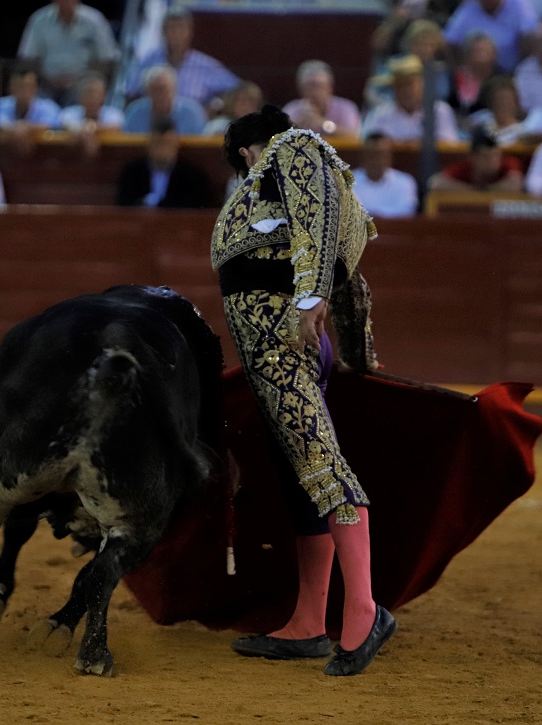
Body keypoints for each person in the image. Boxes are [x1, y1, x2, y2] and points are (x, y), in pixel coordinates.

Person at [213, 104, 394, 678]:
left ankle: (364, 611)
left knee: (322, 466)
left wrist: (310, 297)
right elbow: (345, 266)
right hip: (274, 349)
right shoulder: (295, 169)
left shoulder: (290, 148)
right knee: (302, 481)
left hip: (279, 345)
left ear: (245, 150)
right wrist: (357, 354)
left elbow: (319, 236)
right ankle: (310, 621)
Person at [122, 7, 239, 110]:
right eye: (171, 28)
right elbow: (130, 93)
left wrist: (217, 106)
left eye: (181, 28)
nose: (176, 33)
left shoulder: (205, 64)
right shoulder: (149, 61)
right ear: (163, 32)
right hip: (154, 126)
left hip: (194, 129)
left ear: (190, 32)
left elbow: (238, 89)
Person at [17, 0, 119, 106]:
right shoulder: (38, 19)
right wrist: (47, 79)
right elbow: (27, 59)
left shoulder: (95, 20)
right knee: (27, 88)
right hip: (46, 85)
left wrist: (78, 80)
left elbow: (107, 60)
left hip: (83, 85)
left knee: (92, 90)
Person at [115, 116, 213, 208]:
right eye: (158, 144)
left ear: (176, 144)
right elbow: (124, 207)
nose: (163, 150)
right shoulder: (131, 174)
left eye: (167, 144)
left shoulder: (193, 177)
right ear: (148, 145)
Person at [362, 54, 459, 142]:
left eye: (410, 85)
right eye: (401, 85)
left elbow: (449, 147)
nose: (406, 91)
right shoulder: (380, 114)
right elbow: (366, 145)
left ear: (422, 85)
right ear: (394, 88)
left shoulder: (440, 112)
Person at [443, 0, 539, 72]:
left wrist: (519, 69)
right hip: (476, 75)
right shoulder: (469, 7)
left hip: (512, 71)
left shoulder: (518, 4)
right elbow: (448, 41)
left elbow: (531, 34)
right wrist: (457, 71)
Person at [429, 126, 525, 191]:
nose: (492, 160)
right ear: (473, 157)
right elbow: (435, 183)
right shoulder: (466, 167)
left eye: (496, 155)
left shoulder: (508, 163)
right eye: (486, 156)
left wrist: (485, 191)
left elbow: (516, 184)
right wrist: (474, 192)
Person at [281, 60, 361, 138]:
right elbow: (277, 140)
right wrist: (298, 124)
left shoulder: (345, 108)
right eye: (310, 86)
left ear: (330, 87)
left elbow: (355, 135)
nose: (315, 92)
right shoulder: (292, 109)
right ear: (301, 89)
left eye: (319, 86)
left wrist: (323, 123)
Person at [122, 64, 206, 135]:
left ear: (174, 89)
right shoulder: (135, 113)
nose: (160, 94)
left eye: (163, 89)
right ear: (147, 93)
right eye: (155, 90)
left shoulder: (192, 112)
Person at [349, 132, 418, 218]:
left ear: (389, 157)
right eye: (371, 154)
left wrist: (374, 218)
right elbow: (348, 214)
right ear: (363, 156)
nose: (376, 160)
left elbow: (406, 213)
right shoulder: (348, 182)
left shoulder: (405, 182)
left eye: (380, 154)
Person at [447, 32, 499, 117]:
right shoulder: (453, 78)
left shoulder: (500, 78)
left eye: (486, 51)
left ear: (494, 55)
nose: (482, 56)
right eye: (477, 51)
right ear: (466, 54)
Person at [0, 63, 60, 130]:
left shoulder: (49, 107)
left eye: (28, 86)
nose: (24, 91)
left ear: (36, 87)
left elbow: (53, 124)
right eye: (19, 86)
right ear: (10, 87)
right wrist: (15, 128)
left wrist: (27, 128)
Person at [56, 70, 122, 131]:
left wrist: (91, 127)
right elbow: (65, 125)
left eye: (97, 94)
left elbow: (116, 127)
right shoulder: (68, 113)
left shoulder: (114, 114)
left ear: (104, 96)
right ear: (80, 97)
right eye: (88, 94)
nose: (92, 99)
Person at [468, 75, 526, 144]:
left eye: (507, 100)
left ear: (515, 103)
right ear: (491, 103)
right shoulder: (483, 130)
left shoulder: (523, 132)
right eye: (499, 100)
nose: (503, 104)